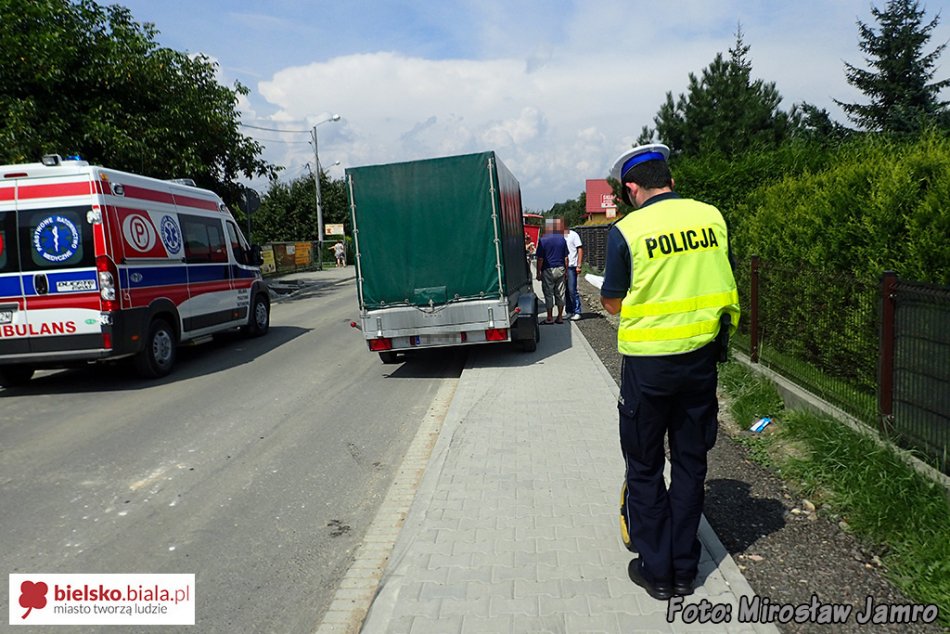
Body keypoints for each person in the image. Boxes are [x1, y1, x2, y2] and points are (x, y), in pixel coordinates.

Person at [600, 143, 739, 601]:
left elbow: (614, 301)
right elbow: (724, 280)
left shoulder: (627, 231)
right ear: (672, 182)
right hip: (700, 364)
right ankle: (685, 568)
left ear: (631, 188)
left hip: (648, 369)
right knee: (690, 465)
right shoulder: (712, 218)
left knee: (643, 466)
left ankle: (657, 572)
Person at [535, 218, 569, 324]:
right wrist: (566, 272)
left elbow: (540, 259)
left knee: (548, 294)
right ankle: (560, 317)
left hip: (547, 270)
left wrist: (538, 272)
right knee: (560, 293)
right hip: (560, 268)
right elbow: (566, 258)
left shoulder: (543, 240)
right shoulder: (562, 239)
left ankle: (549, 318)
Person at [564, 225, 584, 321]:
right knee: (565, 290)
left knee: (572, 290)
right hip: (562, 266)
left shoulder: (573, 235)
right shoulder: (558, 236)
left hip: (572, 266)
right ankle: (569, 311)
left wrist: (579, 265)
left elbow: (580, 249)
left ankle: (577, 311)